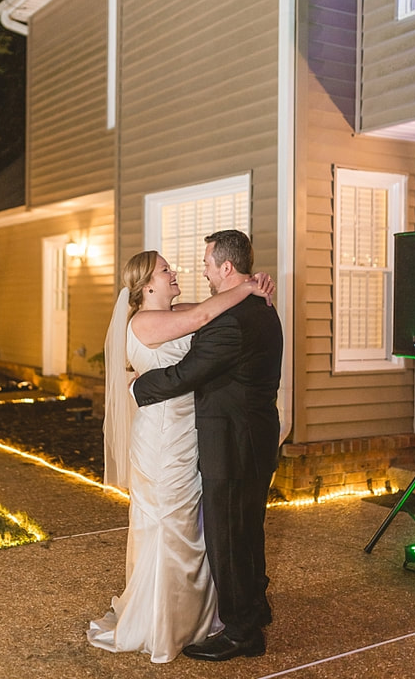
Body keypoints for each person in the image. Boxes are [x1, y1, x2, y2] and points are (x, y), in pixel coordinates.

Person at [88, 250, 272, 663]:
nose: (175, 273)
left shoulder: (175, 309)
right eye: (165, 270)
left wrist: (253, 285)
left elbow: (208, 307)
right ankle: (163, 620)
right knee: (170, 525)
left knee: (193, 525)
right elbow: (202, 318)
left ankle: (199, 614)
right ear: (147, 285)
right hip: (163, 437)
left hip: (190, 435)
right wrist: (245, 285)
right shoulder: (146, 321)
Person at [132, 229, 283, 662]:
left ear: (226, 267)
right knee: (247, 529)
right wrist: (255, 284)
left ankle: (241, 632)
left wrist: (139, 386)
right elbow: (193, 316)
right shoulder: (258, 306)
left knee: (227, 538)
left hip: (232, 444)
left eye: (207, 265)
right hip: (253, 437)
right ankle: (256, 607)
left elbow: (185, 375)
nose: (202, 271)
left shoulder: (232, 323)